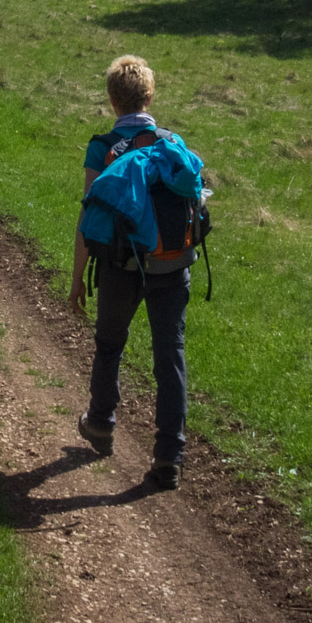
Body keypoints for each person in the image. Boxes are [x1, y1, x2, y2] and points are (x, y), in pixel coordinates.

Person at [68, 55, 195, 490]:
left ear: (111, 100)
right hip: (173, 263)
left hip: (121, 266)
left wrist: (76, 278)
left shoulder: (102, 148)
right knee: (170, 357)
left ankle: (101, 422)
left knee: (109, 344)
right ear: (150, 95)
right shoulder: (171, 142)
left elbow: (89, 217)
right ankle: (168, 457)